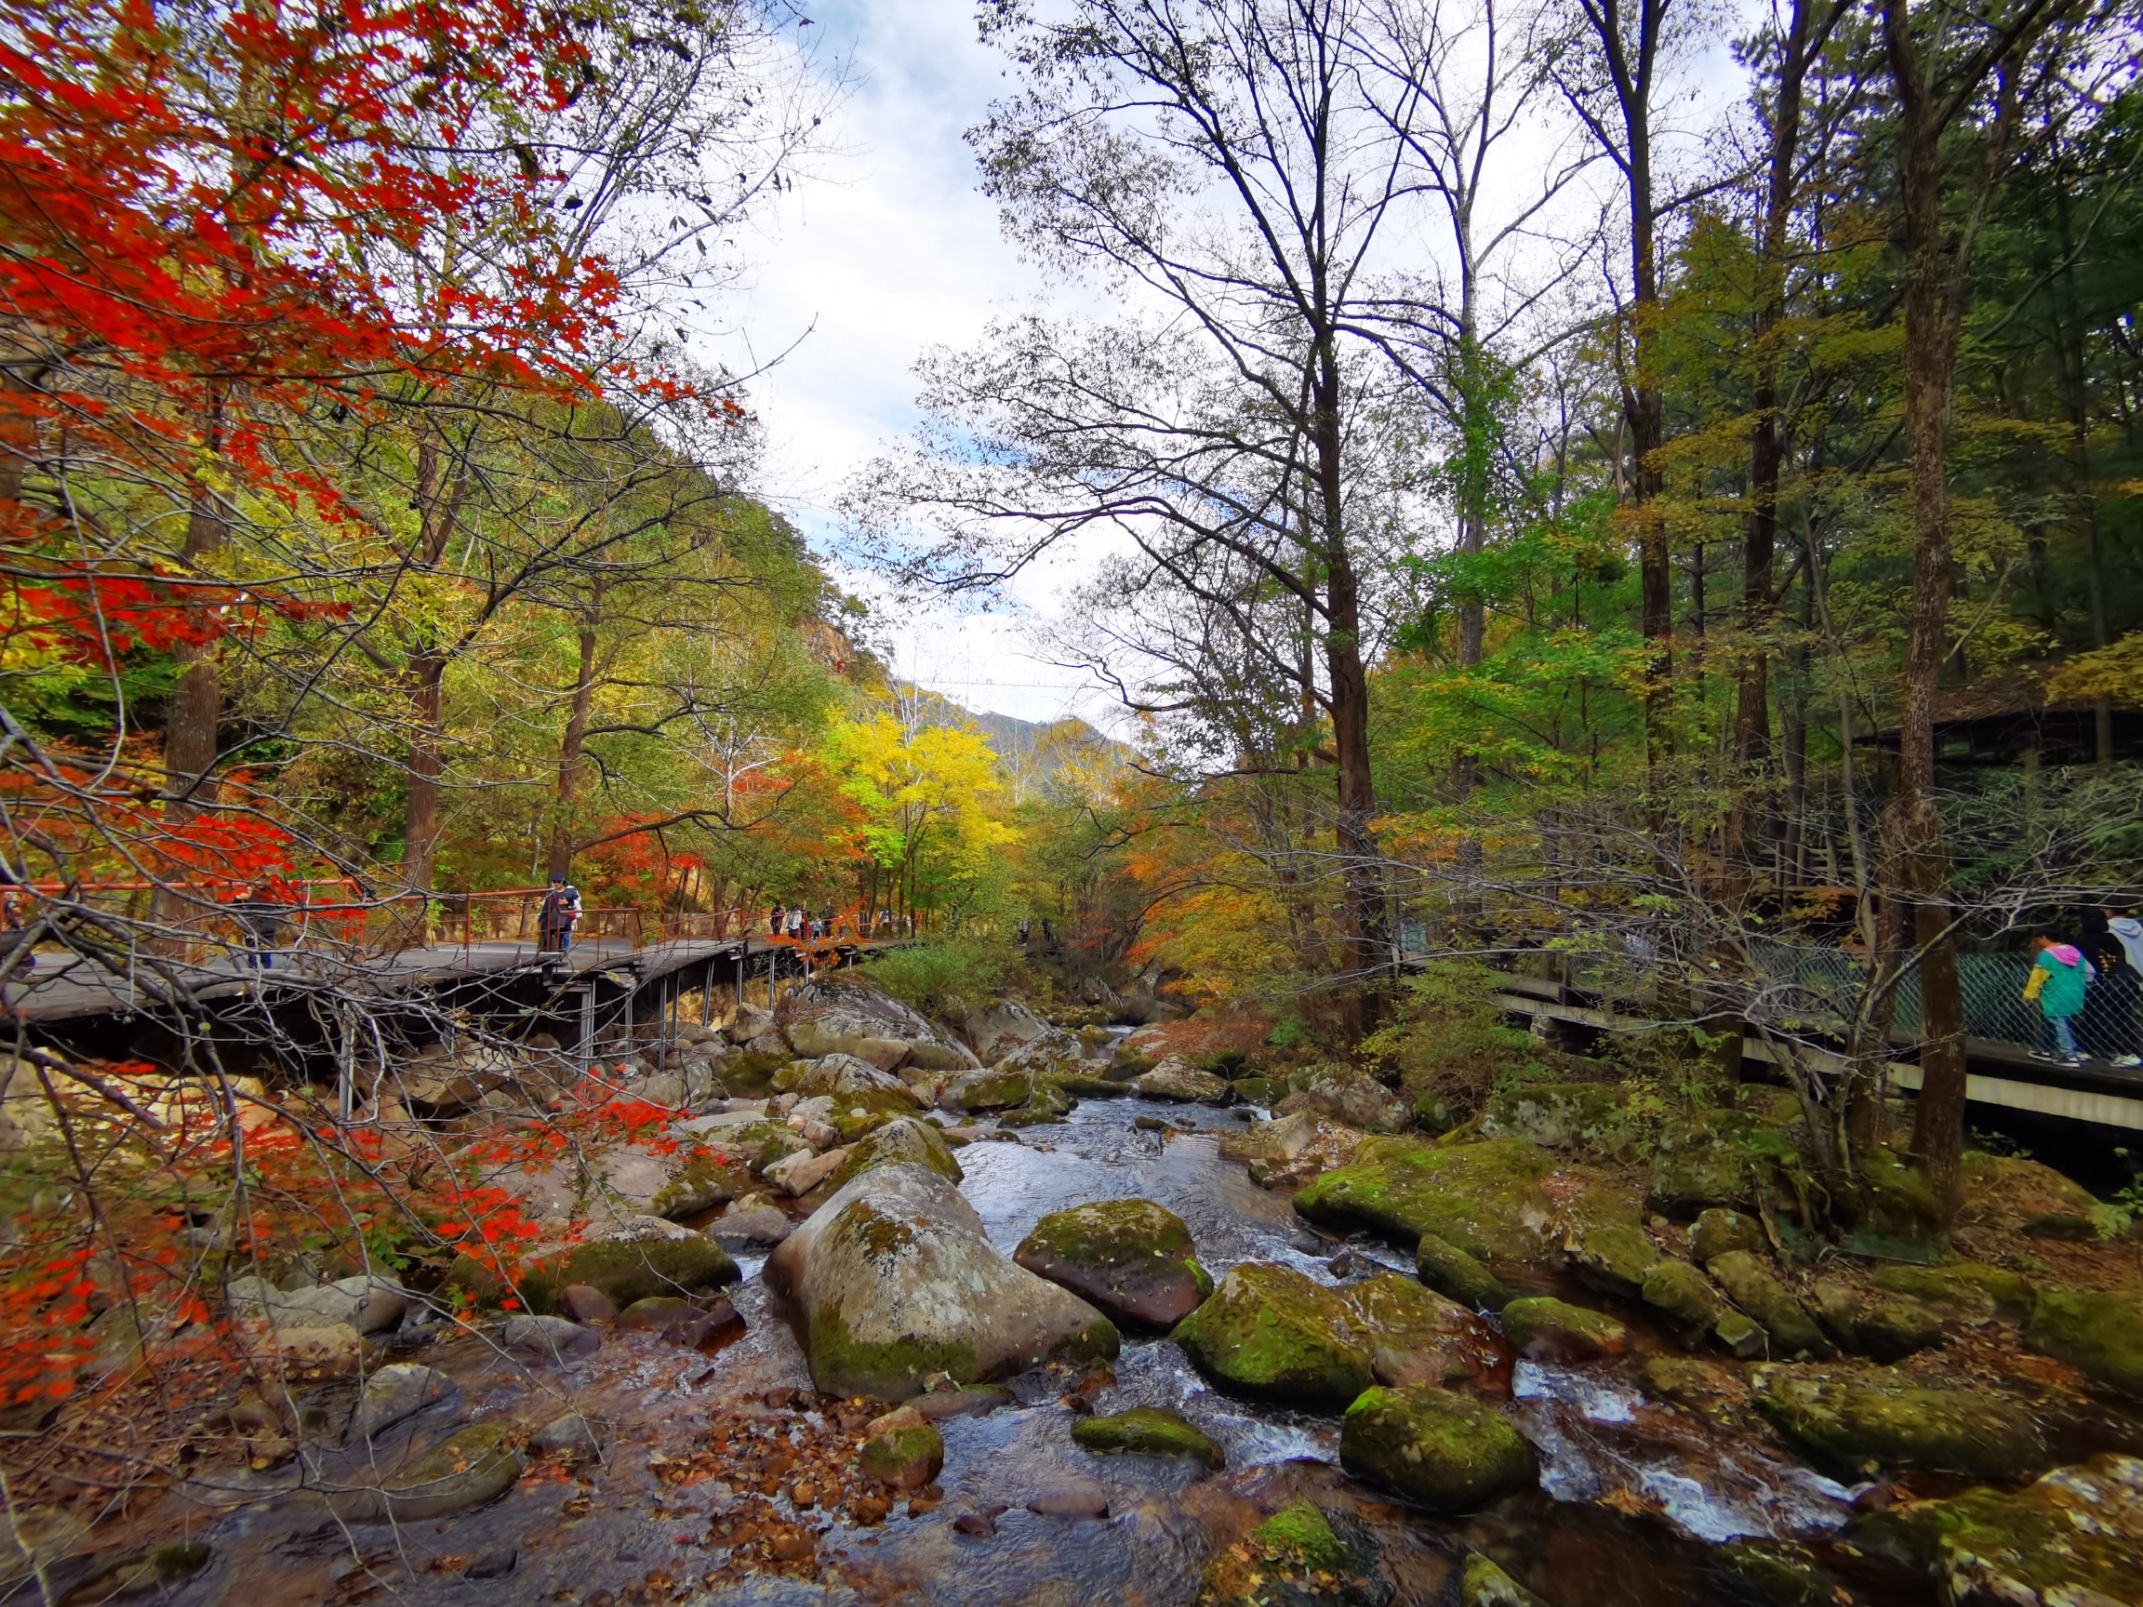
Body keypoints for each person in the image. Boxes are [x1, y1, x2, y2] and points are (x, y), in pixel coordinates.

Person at [2081, 910, 2143, 1068]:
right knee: (2123, 1017)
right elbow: (2121, 959)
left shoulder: (2083, 941)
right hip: (2122, 984)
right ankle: (2132, 1050)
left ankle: (2116, 1051)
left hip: (2098, 986)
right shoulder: (2112, 938)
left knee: (2101, 1019)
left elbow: (2086, 966)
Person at [2024, 932, 2091, 1066]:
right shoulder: (2075, 952)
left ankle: (2068, 1054)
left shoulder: (2045, 955)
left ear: (2043, 937)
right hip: (2076, 991)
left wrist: (2029, 994)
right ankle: (2049, 1049)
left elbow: (2037, 977)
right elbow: (2090, 971)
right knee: (2062, 1021)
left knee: (2057, 1020)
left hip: (2054, 992)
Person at [231, 883, 285, 969]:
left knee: (263, 952)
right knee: (255, 952)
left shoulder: (272, 894)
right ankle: (258, 970)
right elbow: (234, 904)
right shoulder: (249, 893)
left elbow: (283, 906)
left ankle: (263, 970)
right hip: (253, 926)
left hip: (264, 927)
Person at [537, 873, 582, 954]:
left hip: (566, 920)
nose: (556, 883)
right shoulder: (551, 893)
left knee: (565, 936)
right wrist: (541, 917)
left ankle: (564, 953)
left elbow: (576, 902)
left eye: (558, 881)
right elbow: (546, 906)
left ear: (563, 882)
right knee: (549, 936)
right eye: (554, 881)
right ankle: (548, 952)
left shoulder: (570, 892)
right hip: (553, 919)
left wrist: (567, 903)